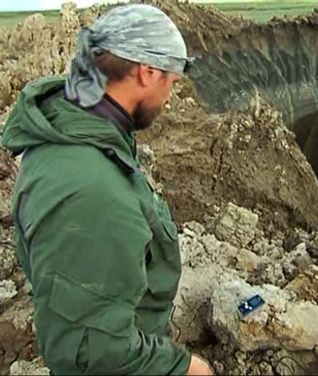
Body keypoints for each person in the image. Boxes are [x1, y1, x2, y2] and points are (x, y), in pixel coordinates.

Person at [1, 4, 213, 375]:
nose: (169, 98)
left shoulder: (78, 131)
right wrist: (187, 368)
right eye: (171, 82)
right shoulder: (92, 192)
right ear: (147, 72)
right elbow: (92, 353)